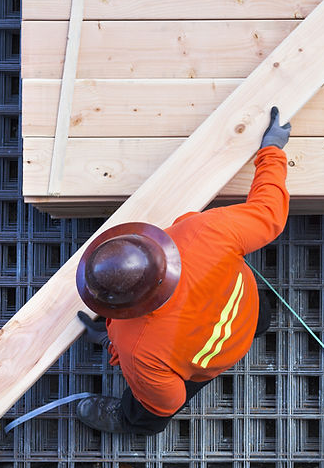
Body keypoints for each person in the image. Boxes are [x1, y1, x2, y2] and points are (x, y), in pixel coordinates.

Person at [73, 107, 291, 435]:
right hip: (247, 317)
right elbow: (269, 211)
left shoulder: (138, 347)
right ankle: (260, 325)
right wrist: (271, 151)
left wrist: (115, 345)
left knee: (150, 409)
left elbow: (169, 399)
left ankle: (128, 421)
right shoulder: (205, 232)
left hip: (208, 363)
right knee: (258, 312)